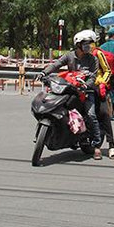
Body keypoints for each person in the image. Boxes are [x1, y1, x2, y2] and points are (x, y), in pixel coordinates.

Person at [41, 30, 102, 159]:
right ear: (78, 44)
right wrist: (44, 73)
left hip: (86, 91)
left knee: (91, 115)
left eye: (90, 44)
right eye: (86, 44)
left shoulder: (93, 59)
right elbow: (56, 64)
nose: (88, 46)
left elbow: (93, 76)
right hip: (70, 89)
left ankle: (97, 145)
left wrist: (86, 85)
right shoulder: (69, 56)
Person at [91, 41, 114, 159]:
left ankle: (111, 145)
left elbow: (107, 71)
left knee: (103, 113)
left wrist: (102, 83)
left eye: (88, 43)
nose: (85, 46)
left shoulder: (97, 54)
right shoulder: (75, 55)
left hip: (98, 87)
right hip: (81, 86)